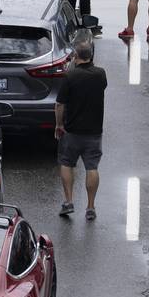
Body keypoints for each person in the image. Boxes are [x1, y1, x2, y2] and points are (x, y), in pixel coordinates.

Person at [55, 38, 106, 220]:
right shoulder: (101, 74)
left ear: (76, 56)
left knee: (67, 163)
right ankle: (90, 207)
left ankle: (68, 202)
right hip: (93, 131)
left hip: (72, 131)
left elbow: (60, 104)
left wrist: (59, 125)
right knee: (92, 167)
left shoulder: (70, 76)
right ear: (91, 56)